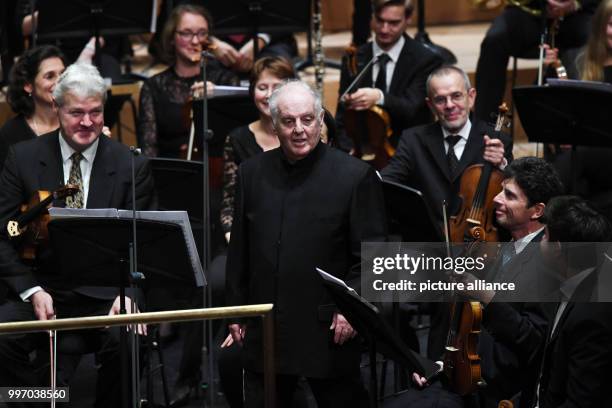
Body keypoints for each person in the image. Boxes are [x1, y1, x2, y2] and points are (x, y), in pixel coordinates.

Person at [0, 63, 156, 408]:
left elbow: (143, 244)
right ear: (56, 108)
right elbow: (3, 234)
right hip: (45, 287)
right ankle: (42, 401)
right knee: (2, 336)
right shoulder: (23, 157)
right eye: (76, 113)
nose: (87, 122)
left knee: (130, 338)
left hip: (109, 289)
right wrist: (32, 289)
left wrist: (128, 292)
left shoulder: (132, 165)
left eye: (95, 112)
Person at [225, 80, 386, 407]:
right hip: (268, 324)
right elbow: (240, 250)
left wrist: (351, 308)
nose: (299, 129)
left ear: (320, 120)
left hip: (328, 326)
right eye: (288, 121)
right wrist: (237, 310)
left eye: (308, 119)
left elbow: (374, 255)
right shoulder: (251, 173)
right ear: (275, 124)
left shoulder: (355, 176)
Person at [410, 157, 564, 408]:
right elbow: (474, 331)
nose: (495, 199)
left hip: (499, 394)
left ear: (537, 210)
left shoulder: (547, 264)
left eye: (510, 196)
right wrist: (442, 365)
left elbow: (534, 344)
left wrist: (488, 297)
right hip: (466, 377)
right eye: (501, 190)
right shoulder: (504, 248)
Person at [519, 196, 612, 407]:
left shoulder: (591, 316)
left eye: (545, 237)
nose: (540, 242)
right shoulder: (580, 275)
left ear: (558, 247)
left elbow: (581, 400)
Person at [335, 0, 443, 152]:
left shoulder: (426, 60)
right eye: (380, 21)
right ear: (372, 17)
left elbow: (411, 108)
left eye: (393, 23)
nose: (384, 29)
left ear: (408, 19)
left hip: (409, 152)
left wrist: (379, 97)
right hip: (362, 151)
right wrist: (348, 152)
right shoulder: (354, 57)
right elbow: (342, 116)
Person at [138, 3, 239, 158]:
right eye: (186, 33)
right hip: (170, 173)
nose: (195, 41)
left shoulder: (225, 80)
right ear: (172, 38)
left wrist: (216, 96)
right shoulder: (153, 87)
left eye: (202, 33)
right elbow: (148, 148)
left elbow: (236, 141)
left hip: (217, 173)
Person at [474, 0, 600, 122]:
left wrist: (575, 4)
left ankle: (586, 126)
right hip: (530, 12)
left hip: (578, 14)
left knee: (595, 41)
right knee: (494, 40)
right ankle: (483, 129)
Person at [0, 45, 66, 169]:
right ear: (28, 85)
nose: (60, 82)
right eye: (50, 76)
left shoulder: (80, 121)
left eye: (63, 74)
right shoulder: (11, 133)